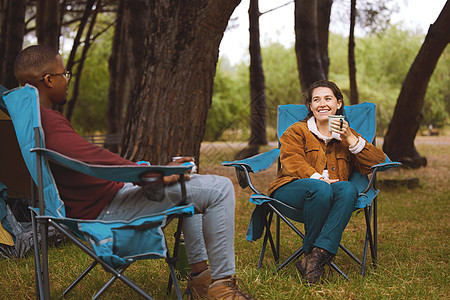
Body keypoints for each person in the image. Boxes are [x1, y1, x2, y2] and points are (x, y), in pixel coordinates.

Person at [14, 44, 254, 300]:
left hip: (102, 201)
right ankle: (221, 288)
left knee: (193, 190)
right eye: (65, 74)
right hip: (105, 211)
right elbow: (92, 160)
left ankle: (201, 280)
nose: (67, 80)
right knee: (220, 189)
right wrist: (155, 174)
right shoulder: (49, 121)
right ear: (49, 80)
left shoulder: (34, 120)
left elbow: (88, 161)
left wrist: (148, 171)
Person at [267, 80, 386, 284]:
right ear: (311, 106)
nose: (322, 103)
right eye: (316, 100)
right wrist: (319, 178)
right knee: (321, 188)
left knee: (348, 189)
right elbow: (291, 161)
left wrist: (349, 138)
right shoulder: (297, 131)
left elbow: (378, 161)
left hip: (331, 193)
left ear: (338, 104)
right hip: (291, 189)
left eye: (328, 98)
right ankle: (316, 255)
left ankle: (314, 258)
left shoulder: (346, 133)